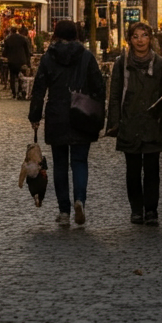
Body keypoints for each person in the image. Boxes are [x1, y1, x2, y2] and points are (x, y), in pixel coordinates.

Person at [29, 20, 105, 226]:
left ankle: (64, 211)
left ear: (55, 35)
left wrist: (35, 116)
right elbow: (99, 87)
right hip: (82, 114)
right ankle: (79, 200)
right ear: (77, 35)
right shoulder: (87, 57)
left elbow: (39, 89)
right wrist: (99, 114)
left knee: (60, 165)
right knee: (79, 162)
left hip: (57, 115)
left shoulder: (48, 58)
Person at [105, 21, 162, 226]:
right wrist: (114, 122)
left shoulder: (160, 63)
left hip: (154, 122)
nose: (140, 40)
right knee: (133, 170)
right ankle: (136, 209)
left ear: (150, 39)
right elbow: (115, 94)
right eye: (135, 36)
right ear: (130, 40)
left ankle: (151, 210)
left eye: (144, 35)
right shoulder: (122, 63)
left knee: (152, 169)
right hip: (130, 123)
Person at [2, 26, 33, 100]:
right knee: (21, 77)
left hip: (12, 61)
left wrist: (5, 56)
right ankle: (20, 90)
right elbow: (27, 51)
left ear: (10, 31)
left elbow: (5, 52)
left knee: (12, 77)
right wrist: (28, 61)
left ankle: (14, 93)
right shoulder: (23, 39)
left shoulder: (7, 39)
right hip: (21, 60)